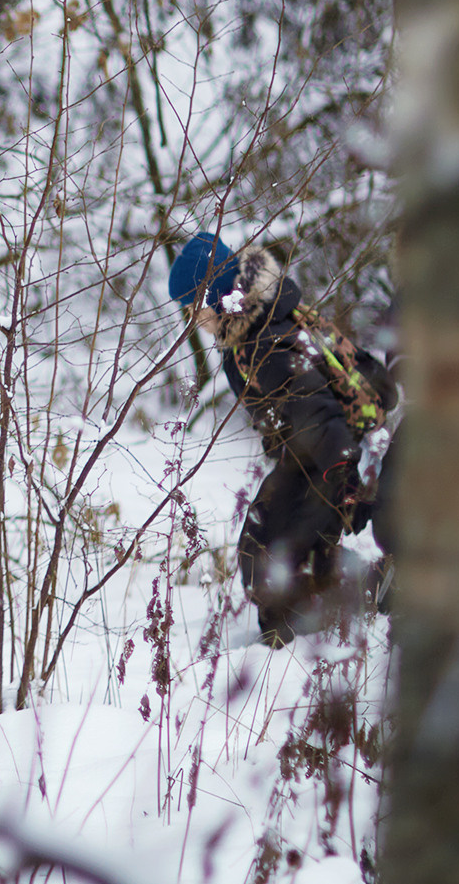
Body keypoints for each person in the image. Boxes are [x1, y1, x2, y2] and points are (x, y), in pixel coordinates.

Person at [169, 234, 397, 646]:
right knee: (271, 552)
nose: (192, 318)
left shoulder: (265, 345)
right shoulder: (259, 322)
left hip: (329, 459)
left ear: (218, 297)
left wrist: (344, 481)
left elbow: (318, 411)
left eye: (194, 307)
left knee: (270, 564)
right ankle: (364, 587)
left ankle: (362, 595)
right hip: (315, 456)